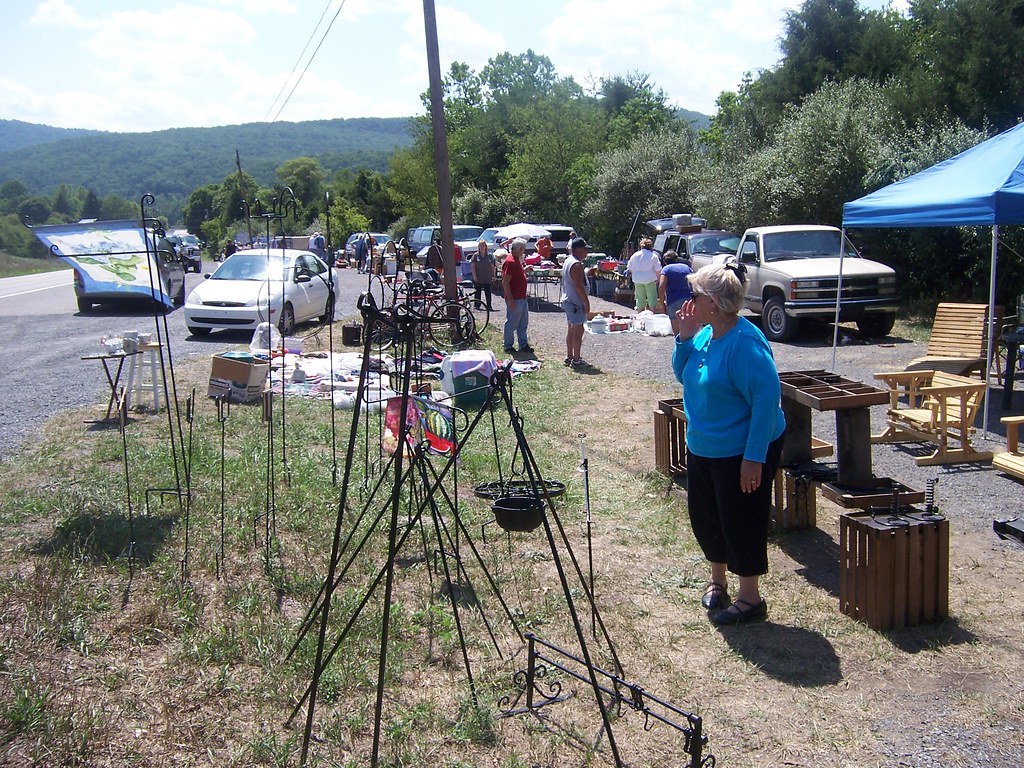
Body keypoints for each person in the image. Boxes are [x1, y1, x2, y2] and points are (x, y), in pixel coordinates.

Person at [672, 262, 786, 626]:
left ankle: (750, 598)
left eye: (695, 295)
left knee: (741, 519)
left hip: (741, 449)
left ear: (715, 302)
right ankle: (717, 580)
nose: (689, 301)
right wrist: (684, 338)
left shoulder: (745, 342)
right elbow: (683, 375)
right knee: (707, 517)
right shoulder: (705, 333)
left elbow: (767, 401)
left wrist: (754, 458)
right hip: (704, 445)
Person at [560, 237, 592, 367]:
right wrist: (586, 302)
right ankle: (577, 360)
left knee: (572, 329)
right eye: (585, 249)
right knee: (578, 330)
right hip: (575, 302)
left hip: (569, 300)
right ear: (577, 249)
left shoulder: (569, 261)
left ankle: (570, 356)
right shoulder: (577, 264)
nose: (586, 252)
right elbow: (579, 286)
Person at [501, 239, 531, 354]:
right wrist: (511, 299)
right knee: (512, 322)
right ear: (519, 249)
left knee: (523, 323)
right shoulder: (510, 261)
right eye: (523, 249)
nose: (523, 252)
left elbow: (516, 275)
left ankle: (523, 344)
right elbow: (505, 282)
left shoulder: (516, 260)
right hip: (515, 298)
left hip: (522, 297)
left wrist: (525, 271)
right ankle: (508, 345)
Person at [658, 250, 693, 336]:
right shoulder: (686, 267)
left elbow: (661, 286)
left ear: (665, 261)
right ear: (677, 259)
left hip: (673, 300)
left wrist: (662, 304)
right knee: (689, 327)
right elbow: (694, 281)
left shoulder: (666, 269)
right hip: (688, 299)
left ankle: (679, 346)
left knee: (677, 332)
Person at [627, 236, 662, 312]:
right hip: (650, 279)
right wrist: (658, 278)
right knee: (652, 298)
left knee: (640, 298)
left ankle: (639, 314)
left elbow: (629, 267)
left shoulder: (635, 255)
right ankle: (652, 314)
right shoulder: (653, 256)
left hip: (637, 279)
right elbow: (658, 269)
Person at [470, 238, 495, 311]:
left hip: (487, 276)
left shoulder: (490, 256)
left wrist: (494, 275)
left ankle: (489, 306)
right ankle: (477, 305)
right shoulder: (475, 256)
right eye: (481, 245)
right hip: (478, 276)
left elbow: (492, 266)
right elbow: (473, 266)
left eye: (483, 245)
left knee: (488, 292)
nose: (482, 247)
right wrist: (474, 276)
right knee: (477, 291)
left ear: (486, 246)